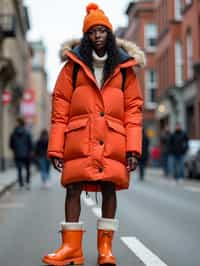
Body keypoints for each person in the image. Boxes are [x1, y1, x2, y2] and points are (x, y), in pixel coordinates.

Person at [42, 3, 145, 266]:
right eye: (92, 32)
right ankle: (71, 249)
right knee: (73, 188)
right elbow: (59, 110)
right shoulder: (72, 68)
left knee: (110, 188)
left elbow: (134, 111)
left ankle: (105, 250)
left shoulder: (124, 69)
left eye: (102, 31)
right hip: (79, 139)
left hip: (113, 140)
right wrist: (56, 148)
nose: (98, 35)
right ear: (86, 36)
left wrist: (133, 149)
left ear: (109, 35)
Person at [9, 117, 33, 190]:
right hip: (27, 154)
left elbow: (11, 144)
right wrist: (30, 151)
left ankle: (21, 184)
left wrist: (15, 150)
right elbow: (30, 144)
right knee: (27, 169)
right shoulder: (27, 132)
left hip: (17, 154)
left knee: (19, 169)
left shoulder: (13, 133)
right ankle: (28, 183)